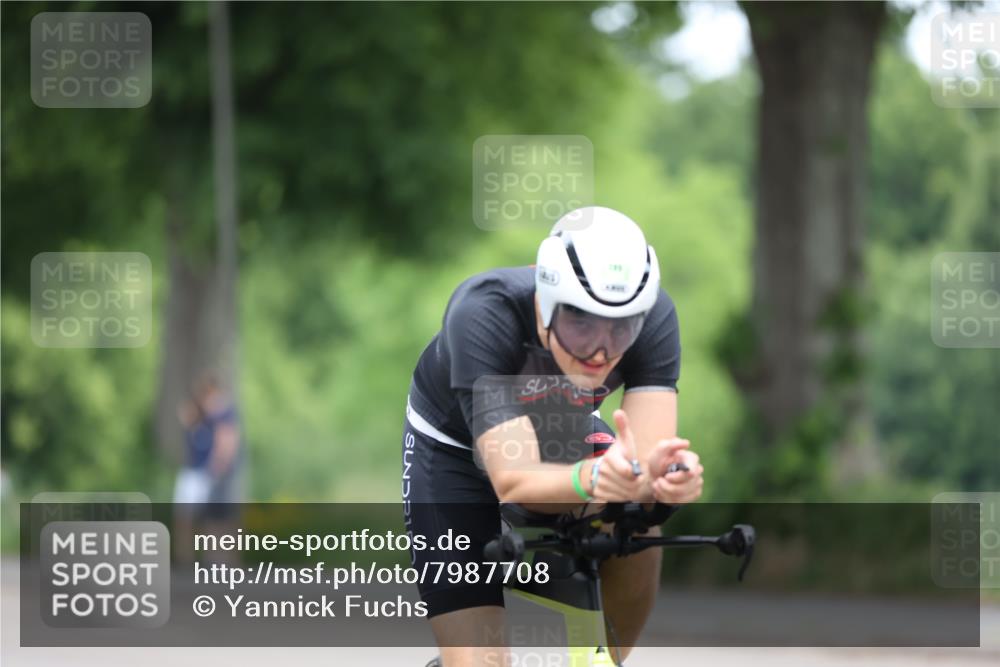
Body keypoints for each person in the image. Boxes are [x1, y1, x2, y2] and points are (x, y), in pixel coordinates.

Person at [401, 206, 703, 666]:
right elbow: (515, 479)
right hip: (453, 453)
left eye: (621, 329)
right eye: (579, 323)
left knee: (637, 518)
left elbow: (644, 469)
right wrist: (598, 479)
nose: (601, 351)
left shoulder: (655, 315)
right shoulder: (485, 311)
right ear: (544, 303)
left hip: (565, 431)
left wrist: (664, 484)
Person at [173, 373, 244, 563]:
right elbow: (185, 416)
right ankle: (188, 557)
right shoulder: (199, 414)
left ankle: (222, 560)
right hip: (195, 471)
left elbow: (227, 441)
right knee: (191, 516)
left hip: (212, 472)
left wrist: (217, 467)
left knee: (219, 517)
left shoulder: (223, 414)